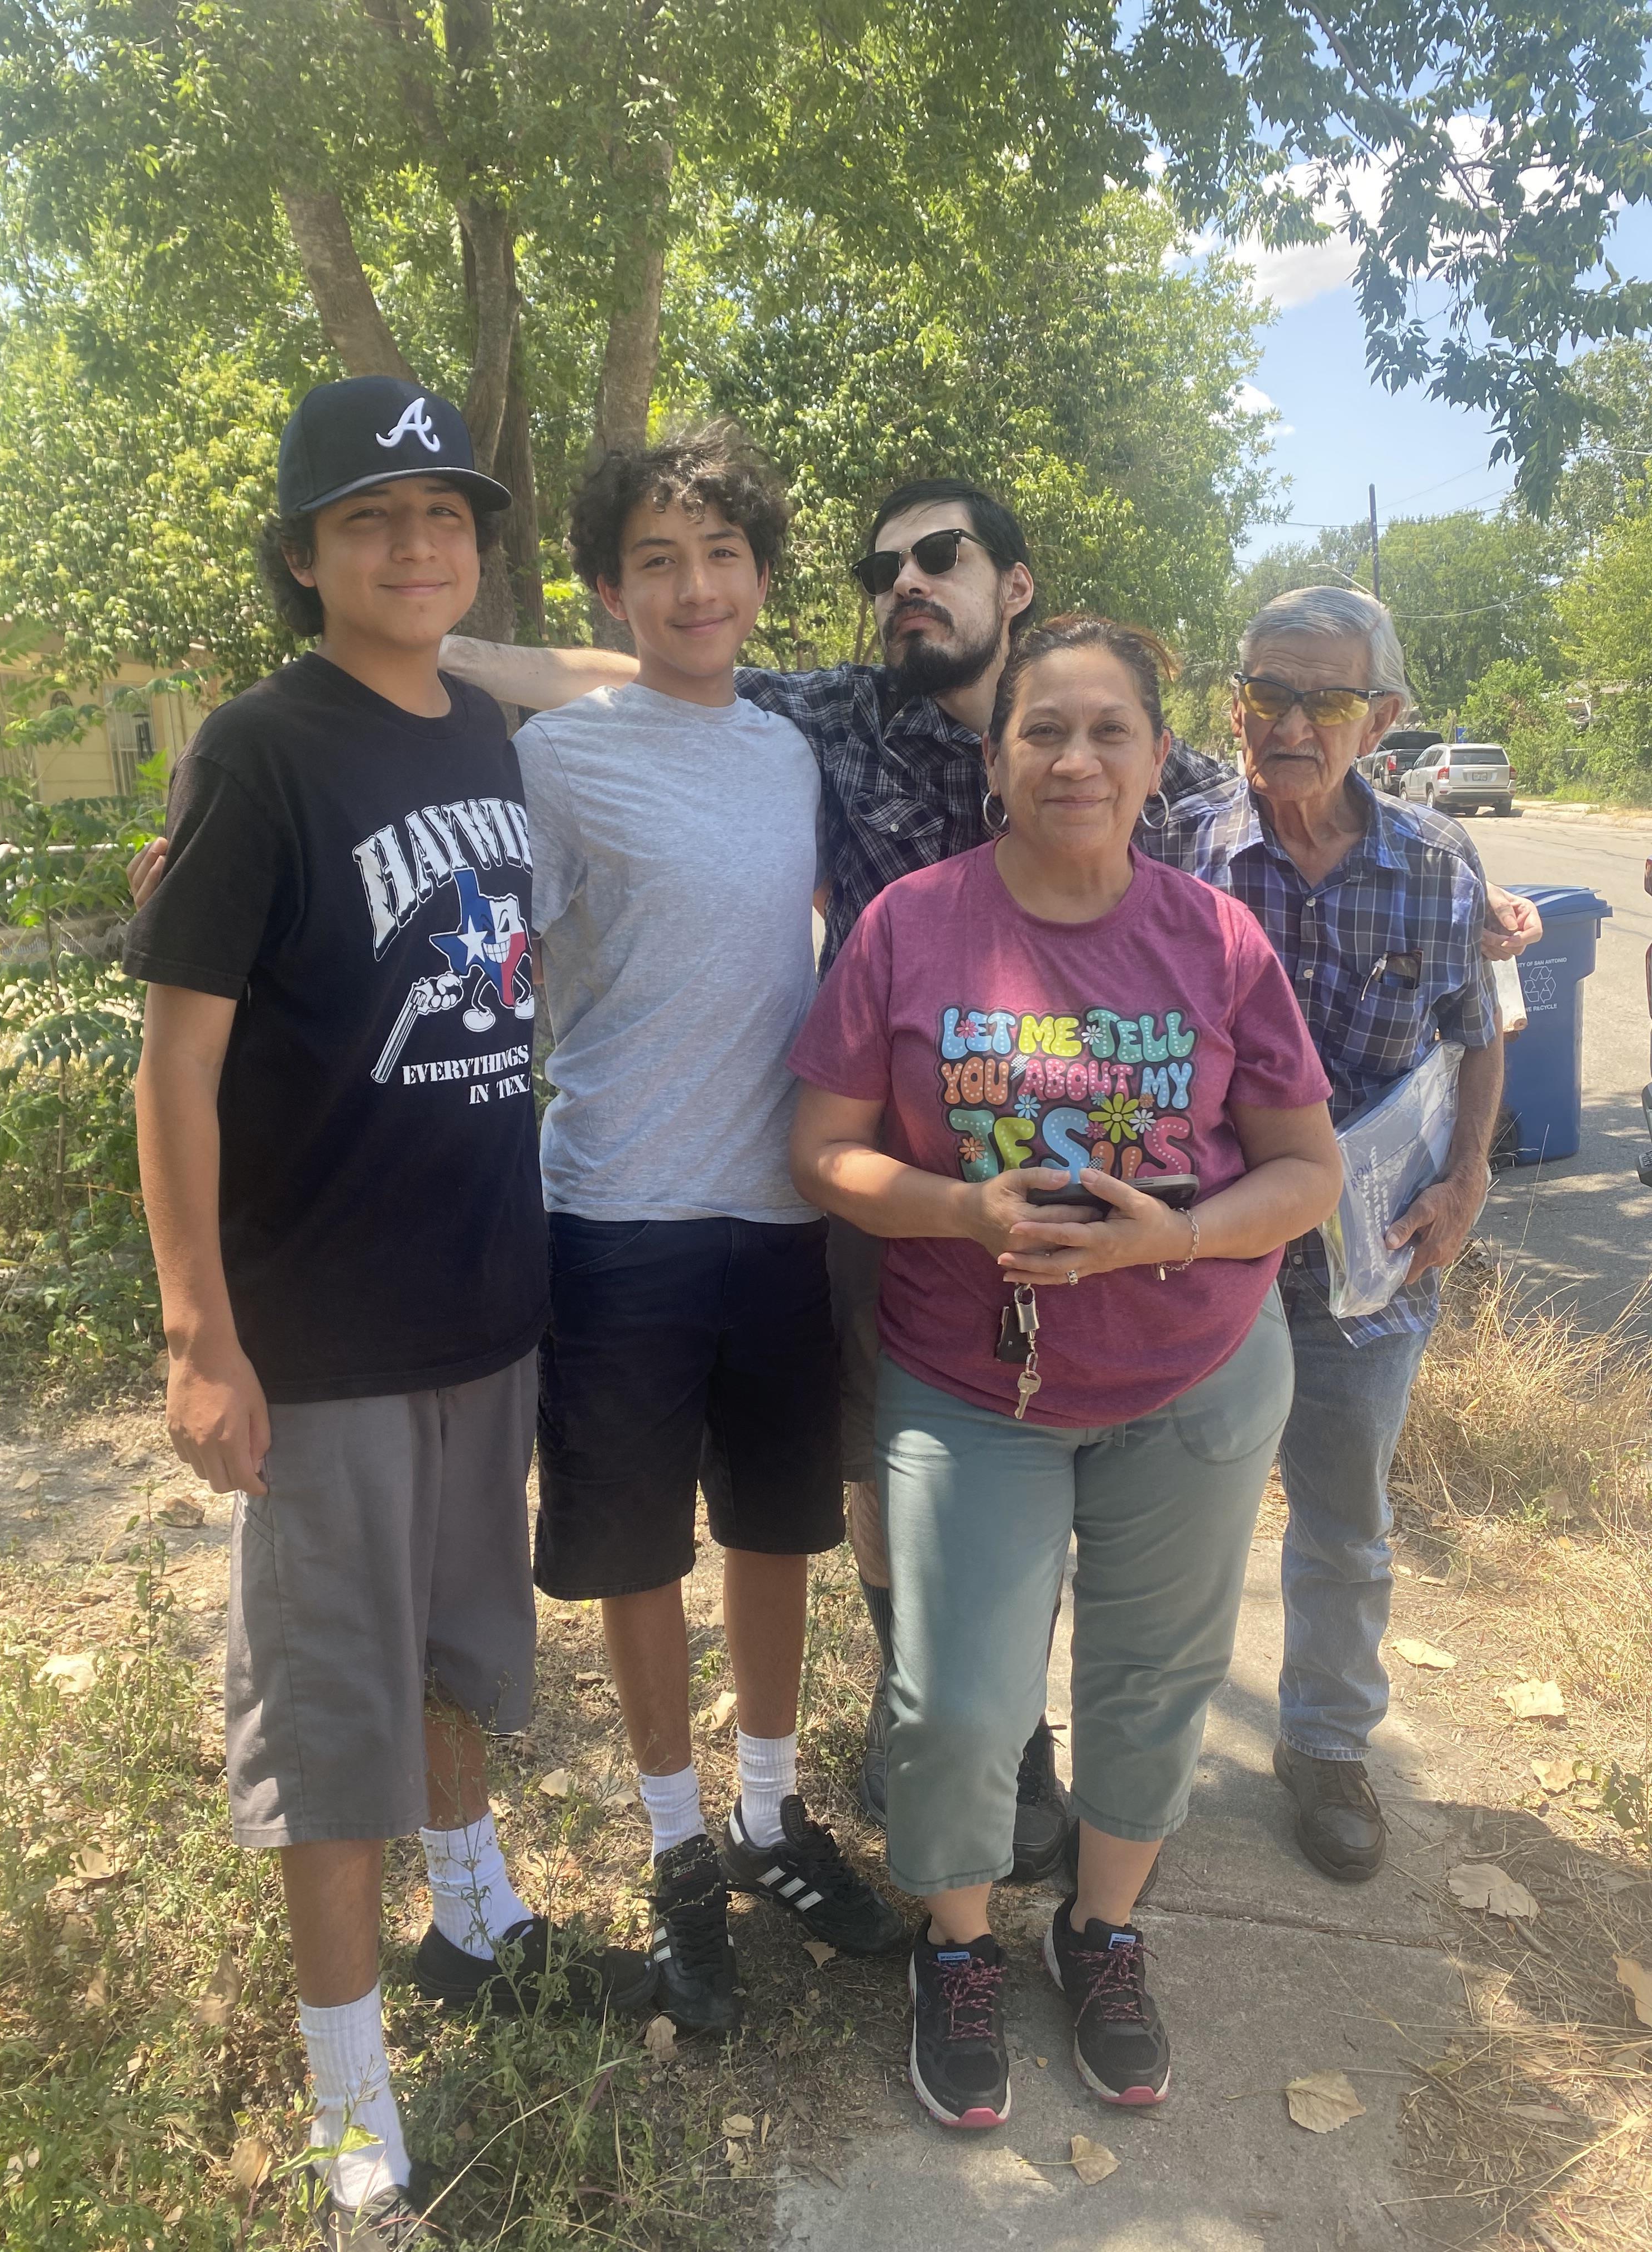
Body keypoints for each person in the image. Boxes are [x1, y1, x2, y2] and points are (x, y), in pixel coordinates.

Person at [437, 483, 1540, 1882]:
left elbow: (1368, 922)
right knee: (882, 1486)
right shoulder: (834, 723)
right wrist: (426, 651)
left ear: (1012, 588)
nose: (910, 580)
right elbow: (652, 661)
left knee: (1321, 1509)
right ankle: (972, 1735)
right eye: (885, 564)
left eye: (942, 557)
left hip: (1238, 1218)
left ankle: (1304, 1750)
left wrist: (1469, 1089)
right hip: (914, 1198)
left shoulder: (1192, 782)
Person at [123, 376, 654, 2252]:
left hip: (481, 1305)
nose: (416, 546)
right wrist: (202, 1336)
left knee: (456, 1648)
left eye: (444, 517)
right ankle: (351, 2096)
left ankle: (477, 1911)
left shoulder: (477, 730)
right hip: (323, 1330)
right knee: (330, 1709)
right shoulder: (261, 752)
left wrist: (455, 632)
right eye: (369, 522)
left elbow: (632, 677)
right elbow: (173, 1066)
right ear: (300, 556)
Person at [786, 614, 1344, 2129]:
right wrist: (959, 1207)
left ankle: (1102, 1933)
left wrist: (1170, 1239)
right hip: (967, 1382)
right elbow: (822, 1148)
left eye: (1112, 732)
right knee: (958, 1705)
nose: (1077, 757)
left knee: (1152, 1684)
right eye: (1046, 731)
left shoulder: (1215, 939)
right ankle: (957, 1951)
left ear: (1160, 761)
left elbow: (1306, 1173)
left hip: (1196, 1377)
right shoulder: (908, 925)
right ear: (997, 759)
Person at [517, 426, 908, 2036]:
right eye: (658, 562)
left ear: (760, 578)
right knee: (635, 1555)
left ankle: (766, 1816)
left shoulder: (791, 752)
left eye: (723, 556)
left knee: (774, 1533)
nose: (695, 587)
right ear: (610, 591)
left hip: (781, 1209)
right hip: (614, 1211)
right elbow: (484, 961)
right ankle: (677, 1849)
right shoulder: (556, 758)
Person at [1139, 584, 1505, 1884]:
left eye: (1325, 701)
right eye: (1264, 693)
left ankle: (1327, 1747)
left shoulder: (1442, 866)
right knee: (1167, 1521)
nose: (1287, 723)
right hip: (1202, 1255)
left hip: (1370, 1267)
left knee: (1345, 1523)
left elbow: (1477, 1038)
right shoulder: (1172, 846)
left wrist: (1465, 1184)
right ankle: (1146, 1771)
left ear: (1384, 721)